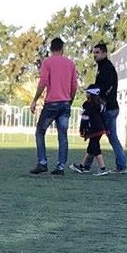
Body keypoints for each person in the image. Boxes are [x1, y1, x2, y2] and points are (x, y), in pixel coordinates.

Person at [30, 37, 78, 175]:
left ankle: (42, 162)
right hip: (65, 103)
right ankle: (61, 166)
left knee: (40, 131)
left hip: (52, 102)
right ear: (62, 49)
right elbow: (74, 86)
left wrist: (35, 100)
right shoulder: (70, 64)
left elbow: (43, 82)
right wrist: (69, 101)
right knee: (63, 135)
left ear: (51, 49)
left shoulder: (47, 62)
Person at [87, 43, 127, 174]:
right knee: (97, 135)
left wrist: (96, 94)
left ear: (104, 53)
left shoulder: (107, 68)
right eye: (94, 52)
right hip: (109, 107)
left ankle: (120, 165)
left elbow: (106, 87)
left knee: (102, 136)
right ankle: (85, 164)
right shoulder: (103, 67)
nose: (95, 55)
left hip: (108, 108)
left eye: (97, 52)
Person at [69, 85, 109, 176]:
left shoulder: (87, 104)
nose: (86, 94)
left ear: (91, 93)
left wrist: (82, 129)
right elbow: (103, 118)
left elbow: (85, 118)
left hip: (93, 129)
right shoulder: (101, 104)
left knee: (96, 149)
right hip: (100, 129)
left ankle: (102, 169)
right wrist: (106, 129)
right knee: (91, 148)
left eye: (87, 92)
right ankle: (82, 166)